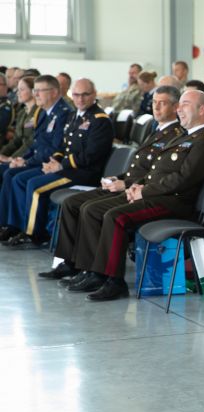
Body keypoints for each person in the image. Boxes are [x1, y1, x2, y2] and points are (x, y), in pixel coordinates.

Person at [57, 89, 204, 301]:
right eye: (179, 104)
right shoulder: (185, 137)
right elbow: (156, 172)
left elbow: (183, 179)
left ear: (203, 109)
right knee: (93, 209)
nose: (179, 109)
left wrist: (144, 190)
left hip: (175, 202)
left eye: (185, 104)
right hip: (156, 195)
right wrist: (137, 186)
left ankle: (114, 281)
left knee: (116, 217)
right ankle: (93, 272)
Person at [41, 85, 184, 280]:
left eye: (163, 103)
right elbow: (139, 168)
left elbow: (155, 174)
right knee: (71, 203)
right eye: (154, 103)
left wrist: (126, 184)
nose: (156, 107)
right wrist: (120, 178)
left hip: (141, 191)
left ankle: (92, 271)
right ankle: (70, 262)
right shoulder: (156, 130)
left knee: (91, 209)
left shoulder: (176, 135)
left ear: (175, 107)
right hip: (129, 184)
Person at [3, 78, 114, 248]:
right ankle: (20, 227)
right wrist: (54, 160)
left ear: (94, 94)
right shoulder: (75, 116)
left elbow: (90, 156)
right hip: (67, 169)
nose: (80, 99)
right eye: (76, 94)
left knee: (35, 186)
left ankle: (35, 234)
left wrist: (62, 165)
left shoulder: (100, 120)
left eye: (85, 94)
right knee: (26, 180)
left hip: (83, 174)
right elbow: (63, 145)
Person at [0, 75, 72, 242]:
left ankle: (20, 227)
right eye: (35, 90)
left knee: (17, 177)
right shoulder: (46, 112)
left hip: (49, 163)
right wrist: (20, 159)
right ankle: (7, 224)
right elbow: (35, 144)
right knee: (9, 172)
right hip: (38, 159)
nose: (36, 94)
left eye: (40, 90)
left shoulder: (63, 113)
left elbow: (54, 149)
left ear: (54, 92)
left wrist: (26, 162)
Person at [0, 76, 39, 162]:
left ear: (33, 92)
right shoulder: (22, 113)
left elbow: (30, 142)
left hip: (30, 157)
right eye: (18, 89)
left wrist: (12, 159)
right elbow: (16, 140)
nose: (18, 93)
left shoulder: (40, 113)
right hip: (18, 156)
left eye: (22, 89)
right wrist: (2, 154)